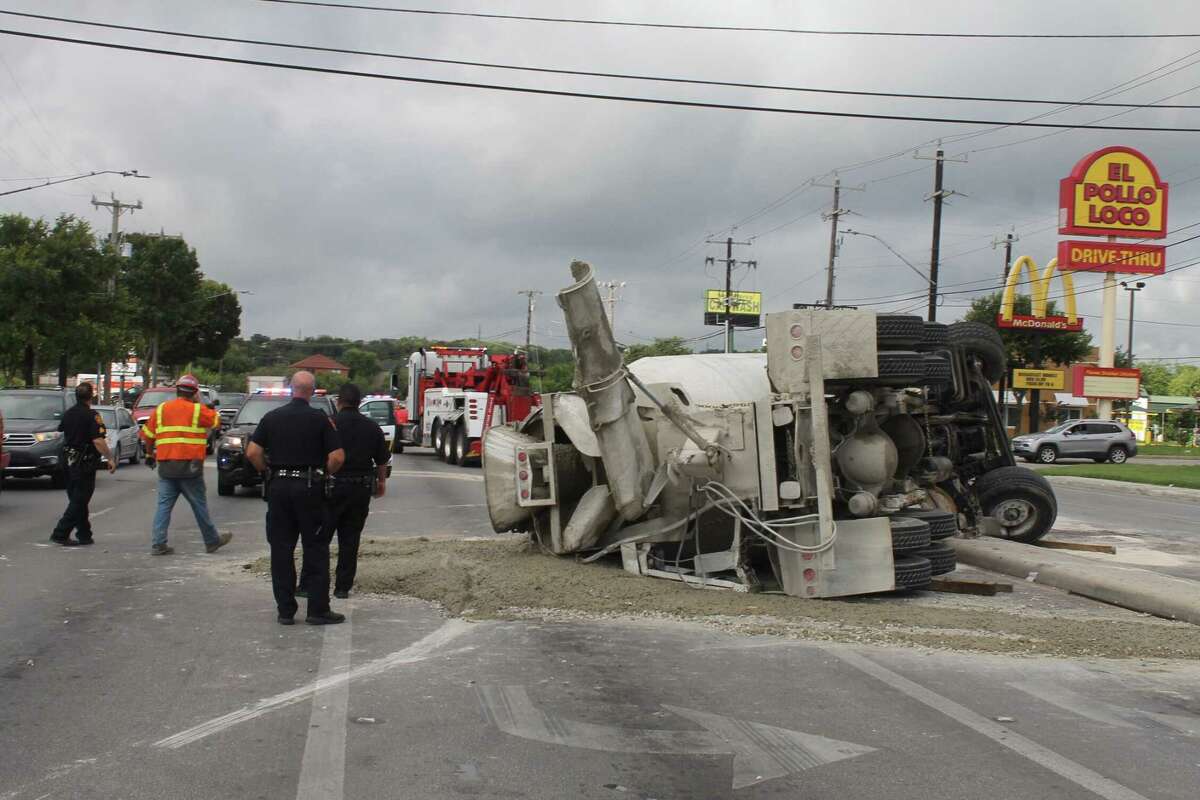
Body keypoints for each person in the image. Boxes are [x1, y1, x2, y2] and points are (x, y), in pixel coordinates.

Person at [245, 371, 346, 626]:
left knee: (281, 549)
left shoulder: (272, 418)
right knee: (315, 549)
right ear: (312, 391)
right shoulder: (319, 419)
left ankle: (285, 610)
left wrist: (267, 473)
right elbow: (337, 457)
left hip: (279, 488)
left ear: (291, 389)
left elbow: (253, 452)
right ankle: (317, 609)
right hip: (309, 488)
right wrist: (323, 474)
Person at [299, 383, 389, 600]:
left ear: (339, 401)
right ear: (359, 403)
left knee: (320, 538)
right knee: (350, 539)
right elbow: (382, 460)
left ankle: (308, 584)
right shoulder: (371, 427)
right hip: (359, 489)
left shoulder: (330, 424)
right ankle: (342, 587)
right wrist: (381, 483)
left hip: (331, 487)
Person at [139, 374, 232, 556]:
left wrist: (149, 454)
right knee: (199, 505)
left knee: (163, 506)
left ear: (177, 391)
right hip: (190, 468)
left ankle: (158, 544)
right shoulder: (197, 410)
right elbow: (216, 421)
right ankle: (212, 541)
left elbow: (148, 434)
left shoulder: (162, 409)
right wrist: (200, 403)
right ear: (195, 393)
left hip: (167, 467)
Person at [50, 382, 115, 546]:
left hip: (68, 457)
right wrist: (110, 457)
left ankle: (84, 534)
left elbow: (62, 430)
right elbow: (98, 440)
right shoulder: (92, 415)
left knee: (76, 497)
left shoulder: (69, 413)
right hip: (83, 460)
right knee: (80, 498)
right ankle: (60, 532)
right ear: (91, 396)